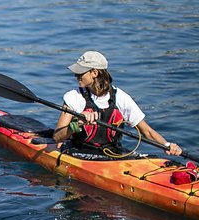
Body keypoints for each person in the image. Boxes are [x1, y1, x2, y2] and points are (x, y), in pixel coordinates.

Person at [53, 51, 181, 158]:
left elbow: (147, 131)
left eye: (80, 72)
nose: (76, 75)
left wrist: (167, 145)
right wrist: (78, 123)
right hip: (79, 153)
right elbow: (57, 137)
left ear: (95, 73)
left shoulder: (121, 98)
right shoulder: (73, 97)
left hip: (112, 155)